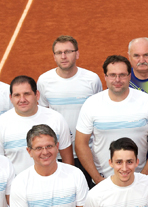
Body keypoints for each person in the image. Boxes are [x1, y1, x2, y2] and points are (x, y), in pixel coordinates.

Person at [75, 55, 148, 184]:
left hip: (139, 180)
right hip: (103, 181)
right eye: (112, 75)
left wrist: (144, 175)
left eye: (122, 75)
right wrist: (98, 179)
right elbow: (80, 144)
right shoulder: (91, 104)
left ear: (129, 76)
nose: (117, 80)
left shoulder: (146, 101)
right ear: (105, 76)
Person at [37, 35, 103, 176]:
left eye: (68, 51)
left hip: (88, 152)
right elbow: (44, 115)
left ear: (77, 54)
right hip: (58, 154)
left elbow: (99, 114)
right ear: (54, 56)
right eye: (59, 53)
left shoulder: (92, 80)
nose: (63, 56)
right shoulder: (44, 81)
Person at [0, 74, 73, 174]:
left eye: (27, 94)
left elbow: (67, 159)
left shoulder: (56, 119)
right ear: (11, 98)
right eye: (17, 95)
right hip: (16, 183)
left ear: (37, 95)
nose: (22, 99)